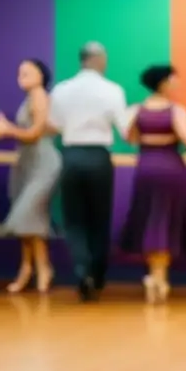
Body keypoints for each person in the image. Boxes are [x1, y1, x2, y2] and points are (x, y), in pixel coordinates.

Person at [50, 42, 127, 302]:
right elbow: (125, 128)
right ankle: (98, 274)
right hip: (99, 157)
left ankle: (81, 269)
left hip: (70, 155)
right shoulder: (113, 90)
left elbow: (55, 126)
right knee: (99, 219)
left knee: (74, 220)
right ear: (100, 59)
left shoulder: (61, 90)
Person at [119, 65, 186, 303]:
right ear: (163, 83)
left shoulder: (136, 110)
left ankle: (155, 276)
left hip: (145, 169)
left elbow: (130, 137)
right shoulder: (177, 111)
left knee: (149, 220)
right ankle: (160, 278)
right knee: (167, 220)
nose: (177, 84)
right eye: (174, 79)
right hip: (171, 169)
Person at [0, 58, 61, 294]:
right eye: (20, 72)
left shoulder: (39, 95)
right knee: (32, 221)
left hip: (43, 163)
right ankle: (33, 268)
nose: (22, 76)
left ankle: (36, 269)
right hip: (26, 163)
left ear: (41, 75)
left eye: (28, 72)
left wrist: (8, 129)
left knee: (26, 215)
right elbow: (46, 127)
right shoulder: (31, 98)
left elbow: (33, 134)